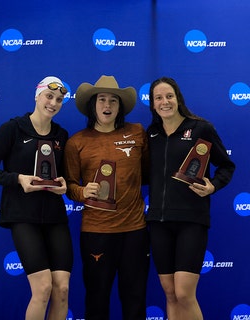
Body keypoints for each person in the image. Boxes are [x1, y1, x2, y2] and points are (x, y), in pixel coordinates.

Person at [0, 76, 72, 319]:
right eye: (49, 96)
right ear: (37, 96)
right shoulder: (13, 128)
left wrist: (65, 185)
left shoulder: (62, 135)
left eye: (59, 100)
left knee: (61, 289)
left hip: (55, 217)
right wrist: (17, 179)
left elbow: (64, 178)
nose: (53, 103)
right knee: (42, 288)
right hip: (22, 216)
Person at [146, 77, 234, 320]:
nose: (165, 102)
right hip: (158, 222)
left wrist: (213, 186)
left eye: (169, 96)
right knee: (170, 293)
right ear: (153, 104)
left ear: (178, 99)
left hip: (191, 220)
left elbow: (226, 166)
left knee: (184, 293)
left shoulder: (200, 129)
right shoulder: (151, 134)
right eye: (159, 98)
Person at [63, 75, 149, 320]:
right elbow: (69, 185)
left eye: (113, 100)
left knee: (135, 297)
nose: (107, 105)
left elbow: (147, 173)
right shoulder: (76, 142)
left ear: (120, 106)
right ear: (93, 104)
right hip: (96, 233)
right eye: (102, 99)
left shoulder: (137, 133)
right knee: (97, 298)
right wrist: (82, 192)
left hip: (135, 230)